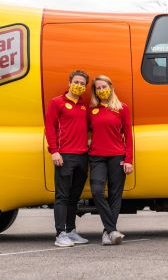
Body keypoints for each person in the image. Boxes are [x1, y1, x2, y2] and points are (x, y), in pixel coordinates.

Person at [44, 69, 91, 247]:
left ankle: (71, 230)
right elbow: (50, 127)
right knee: (62, 196)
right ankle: (60, 234)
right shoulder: (57, 103)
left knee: (74, 197)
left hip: (82, 156)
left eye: (82, 84)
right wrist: (54, 151)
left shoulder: (84, 105)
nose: (79, 86)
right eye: (76, 82)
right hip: (64, 156)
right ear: (69, 82)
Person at [88, 75, 134, 246]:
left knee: (115, 195)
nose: (101, 90)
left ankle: (107, 233)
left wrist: (128, 159)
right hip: (97, 157)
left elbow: (128, 136)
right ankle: (111, 230)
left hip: (117, 157)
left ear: (111, 87)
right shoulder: (91, 109)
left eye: (103, 86)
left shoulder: (122, 108)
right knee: (97, 191)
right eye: (98, 88)